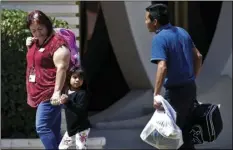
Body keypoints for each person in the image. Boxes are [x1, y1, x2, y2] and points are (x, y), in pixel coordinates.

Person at [145, 4, 202, 149]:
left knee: (169, 138)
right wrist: (192, 78)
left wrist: (156, 94)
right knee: (186, 135)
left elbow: (162, 66)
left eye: (147, 19)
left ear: (155, 21)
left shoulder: (160, 38)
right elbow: (198, 56)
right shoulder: (182, 32)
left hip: (175, 93)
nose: (145, 23)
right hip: (190, 89)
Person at [25, 10, 70, 149]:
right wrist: (29, 47)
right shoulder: (36, 42)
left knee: (42, 127)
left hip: (50, 92)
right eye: (33, 30)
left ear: (47, 26)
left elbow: (62, 67)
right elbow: (36, 62)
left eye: (40, 29)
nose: (37, 33)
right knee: (54, 132)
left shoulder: (57, 43)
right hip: (39, 91)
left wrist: (57, 92)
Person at [58, 67, 91, 150]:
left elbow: (80, 109)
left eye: (80, 78)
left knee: (81, 147)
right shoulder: (66, 92)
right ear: (69, 78)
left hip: (81, 128)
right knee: (62, 147)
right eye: (75, 77)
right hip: (71, 128)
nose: (77, 80)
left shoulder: (82, 94)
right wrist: (62, 101)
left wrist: (67, 102)